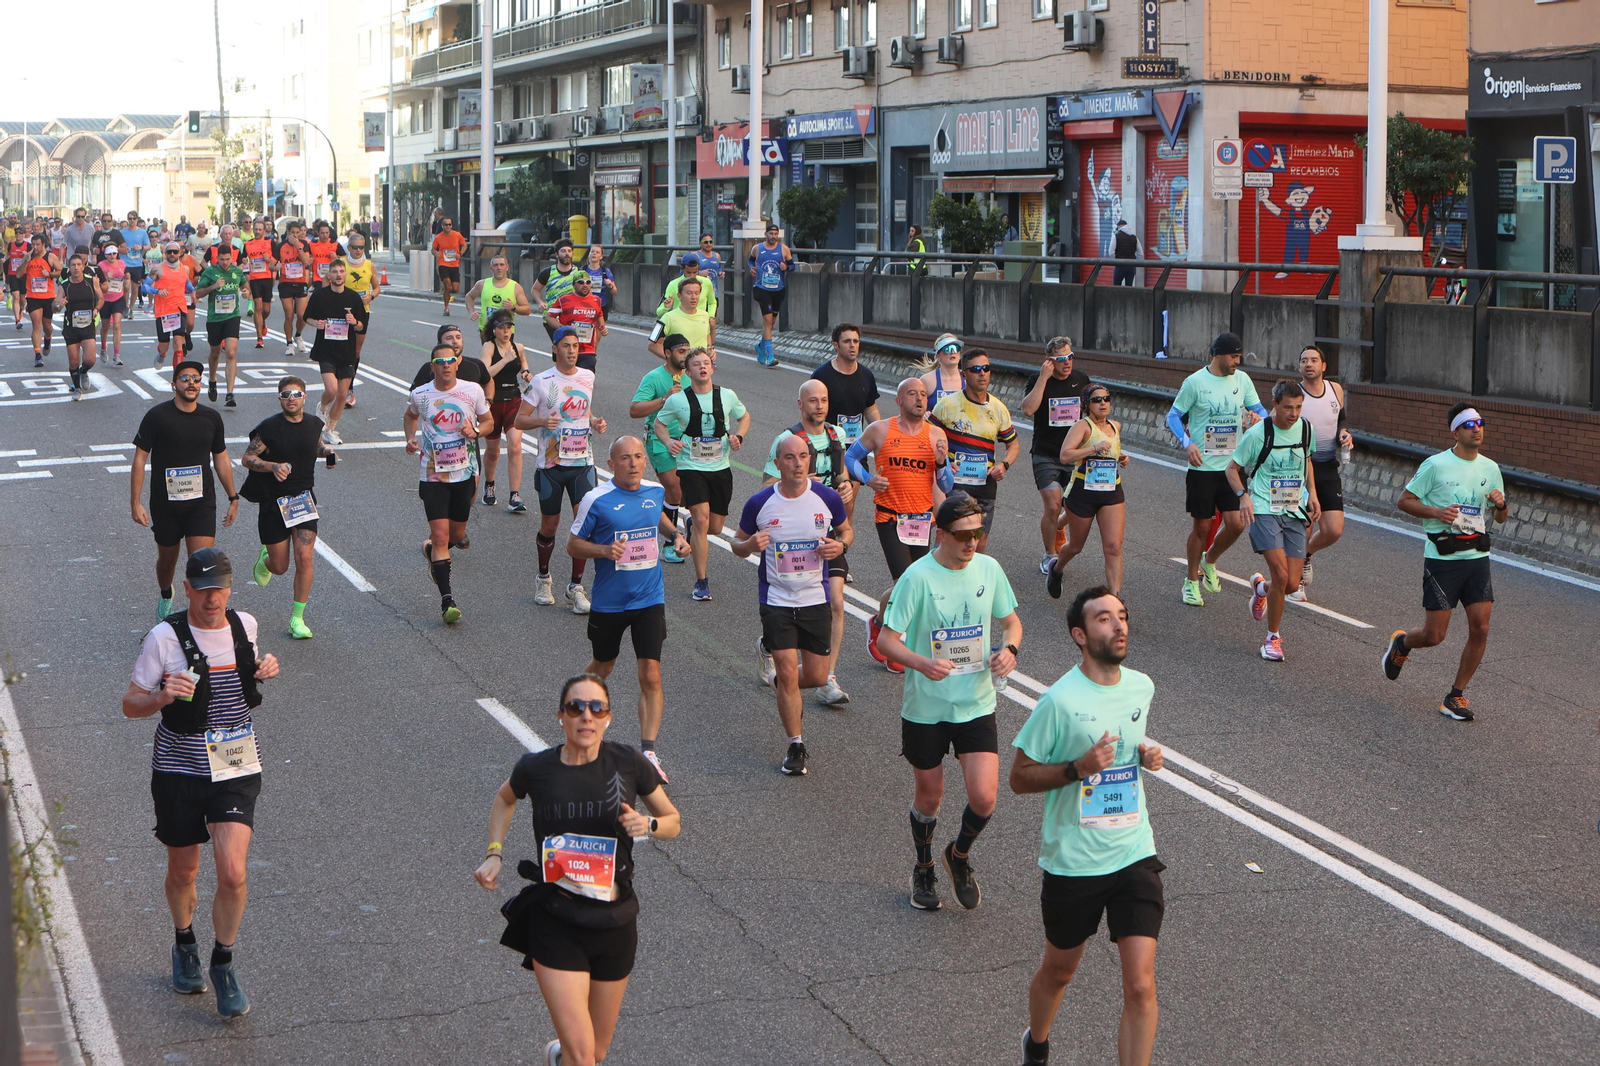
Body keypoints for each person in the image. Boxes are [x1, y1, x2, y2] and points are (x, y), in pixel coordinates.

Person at [477, 673, 681, 1066]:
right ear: (561, 717)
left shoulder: (628, 764)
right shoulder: (537, 768)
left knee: (595, 1053)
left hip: (616, 923)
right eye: (576, 707)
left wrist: (650, 825)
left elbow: (672, 819)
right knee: (584, 1056)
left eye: (596, 708)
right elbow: (504, 800)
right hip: (557, 921)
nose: (586, 716)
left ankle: (560, 1055)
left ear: (607, 717)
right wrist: (494, 852)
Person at [121, 548, 280, 1020]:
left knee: (232, 871)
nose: (213, 597)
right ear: (186, 588)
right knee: (184, 871)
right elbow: (130, 704)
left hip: (235, 765)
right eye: (203, 587)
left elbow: (246, 683)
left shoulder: (243, 626)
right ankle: (184, 942)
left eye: (221, 587)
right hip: (178, 768)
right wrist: (161, 694)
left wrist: (264, 670)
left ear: (231, 588)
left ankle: (223, 964)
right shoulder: (163, 637)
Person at [1010, 586, 1165, 1066]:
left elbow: (1127, 746)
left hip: (1133, 850)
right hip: (1074, 861)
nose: (1118, 625)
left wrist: (1145, 754)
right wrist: (1077, 768)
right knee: (1059, 971)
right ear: (1080, 634)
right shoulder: (1058, 701)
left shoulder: (1142, 686)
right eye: (1103, 619)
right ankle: (1036, 1042)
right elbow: (1018, 778)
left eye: (1122, 615)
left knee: (1140, 984)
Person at [877, 493, 1021, 912]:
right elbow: (887, 641)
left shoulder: (989, 570)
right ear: (941, 534)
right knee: (930, 795)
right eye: (962, 535)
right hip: (927, 707)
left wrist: (1010, 649)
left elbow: (1011, 622)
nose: (972, 542)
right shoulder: (917, 578)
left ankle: (958, 856)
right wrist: (921, 663)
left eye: (977, 532)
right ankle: (923, 867)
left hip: (976, 702)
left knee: (985, 797)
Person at [568, 438, 692, 783]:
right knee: (603, 666)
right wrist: (604, 550)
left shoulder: (654, 492)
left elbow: (660, 520)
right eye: (626, 458)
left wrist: (676, 537)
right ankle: (576, 707)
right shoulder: (597, 500)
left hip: (649, 599)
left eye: (638, 456)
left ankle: (648, 751)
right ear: (612, 462)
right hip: (609, 602)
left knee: (651, 674)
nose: (634, 463)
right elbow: (573, 544)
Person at [732, 433, 852, 775]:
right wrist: (751, 544)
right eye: (789, 457)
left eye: (803, 456)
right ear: (778, 462)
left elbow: (847, 531)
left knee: (814, 676)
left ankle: (776, 682)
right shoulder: (759, 503)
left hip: (815, 598)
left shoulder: (826, 498)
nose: (798, 463)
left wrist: (840, 546)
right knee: (787, 672)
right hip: (776, 599)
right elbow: (735, 544)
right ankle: (795, 745)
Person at [1381, 404, 1507, 721]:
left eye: (1480, 423)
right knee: (1435, 636)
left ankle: (1455, 696)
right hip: (1443, 559)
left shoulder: (1491, 468)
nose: (1476, 429)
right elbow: (1404, 500)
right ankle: (1403, 643)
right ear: (1455, 432)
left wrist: (1501, 505)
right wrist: (1436, 513)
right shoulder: (1435, 466)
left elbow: (1501, 518)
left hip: (1477, 556)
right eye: (1468, 425)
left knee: (1481, 627)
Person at [761, 381, 854, 707]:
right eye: (812, 401)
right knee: (794, 604)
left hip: (826, 534)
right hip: (794, 538)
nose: (819, 406)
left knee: (837, 603)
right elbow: (765, 488)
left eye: (824, 400)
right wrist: (800, 481)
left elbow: (840, 474)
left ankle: (827, 677)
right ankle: (772, 643)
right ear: (800, 403)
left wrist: (844, 487)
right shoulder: (786, 441)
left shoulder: (836, 435)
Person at [850, 378, 951, 673]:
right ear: (898, 400)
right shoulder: (880, 430)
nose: (919, 399)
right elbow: (851, 457)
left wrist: (943, 463)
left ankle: (880, 623)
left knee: (910, 584)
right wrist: (868, 480)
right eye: (912, 394)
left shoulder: (936, 435)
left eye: (923, 395)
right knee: (907, 583)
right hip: (889, 516)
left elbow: (947, 484)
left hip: (922, 520)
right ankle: (896, 646)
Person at [131, 361, 239, 620]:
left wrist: (233, 496)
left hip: (201, 503)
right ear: (174, 384)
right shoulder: (157, 417)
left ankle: (196, 618)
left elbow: (221, 458)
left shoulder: (211, 418)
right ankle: (166, 594)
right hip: (165, 504)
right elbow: (139, 459)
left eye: (196, 379)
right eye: (185, 378)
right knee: (167, 563)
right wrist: (135, 502)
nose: (192, 382)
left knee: (201, 562)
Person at [1166, 332, 1267, 607]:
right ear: (1218, 355)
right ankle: (1190, 581)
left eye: (1239, 356)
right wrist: (1187, 443)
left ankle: (1209, 560)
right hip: (1202, 468)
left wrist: (1258, 419)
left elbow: (1262, 412)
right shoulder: (1195, 382)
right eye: (1233, 356)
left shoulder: (1242, 380)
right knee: (1202, 526)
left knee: (1236, 524)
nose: (1237, 361)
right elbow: (1173, 415)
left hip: (1231, 467)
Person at [516, 327, 608, 613]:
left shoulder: (587, 377)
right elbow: (520, 420)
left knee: (584, 524)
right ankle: (544, 578)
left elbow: (585, 410)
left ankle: (576, 587)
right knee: (550, 526)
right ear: (555, 349)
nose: (571, 351)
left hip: (582, 462)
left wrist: (595, 423)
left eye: (575, 346)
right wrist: (542, 420)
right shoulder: (542, 382)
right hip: (552, 466)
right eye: (566, 346)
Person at [1227, 380, 1320, 662]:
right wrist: (1244, 496)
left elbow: (1307, 460)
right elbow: (1232, 469)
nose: (1294, 413)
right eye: (1288, 407)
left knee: (1292, 584)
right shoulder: (1258, 434)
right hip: (1264, 509)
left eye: (1299, 407)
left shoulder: (1306, 429)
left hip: (1293, 509)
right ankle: (1272, 639)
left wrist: (1313, 492)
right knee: (1281, 575)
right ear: (1275, 405)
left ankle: (1260, 588)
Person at [652, 347, 749, 601]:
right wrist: (668, 442)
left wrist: (739, 436)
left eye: (706, 363)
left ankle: (693, 527)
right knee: (703, 520)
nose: (703, 367)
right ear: (688, 371)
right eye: (696, 364)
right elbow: (659, 424)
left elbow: (744, 416)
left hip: (720, 467)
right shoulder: (678, 400)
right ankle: (701, 582)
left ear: (712, 368)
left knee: (714, 527)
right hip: (690, 467)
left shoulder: (726, 395)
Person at [240, 377, 333, 639]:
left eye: (296, 394)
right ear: (279, 399)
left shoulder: (315, 424)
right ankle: (265, 560)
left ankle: (297, 618)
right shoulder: (269, 428)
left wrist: (326, 452)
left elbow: (312, 445)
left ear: (305, 398)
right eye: (285, 394)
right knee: (280, 566)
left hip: (302, 499)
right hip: (273, 500)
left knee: (305, 558)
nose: (291, 398)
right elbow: (248, 457)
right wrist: (273, 466)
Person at [407, 343, 493, 623]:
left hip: (464, 473)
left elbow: (489, 421)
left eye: (450, 360)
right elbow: (410, 415)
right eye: (440, 361)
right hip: (432, 475)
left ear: (457, 364)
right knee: (442, 536)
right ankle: (447, 602)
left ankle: (432, 553)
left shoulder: (472, 390)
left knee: (456, 536)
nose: (446, 365)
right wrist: (410, 438)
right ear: (432, 366)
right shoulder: (420, 394)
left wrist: (477, 430)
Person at [930, 347, 1019, 554]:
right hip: (953, 483)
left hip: (984, 484)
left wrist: (1004, 465)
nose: (982, 373)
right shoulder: (947, 405)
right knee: (952, 540)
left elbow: (1013, 445)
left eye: (986, 368)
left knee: (978, 546)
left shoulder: (998, 408)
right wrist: (942, 462)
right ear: (963, 374)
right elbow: (928, 437)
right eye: (975, 369)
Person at [1046, 384, 1129, 599]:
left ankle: (1115, 599)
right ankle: (1056, 568)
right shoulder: (1082, 427)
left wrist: (1121, 458)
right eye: (1096, 400)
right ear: (1087, 405)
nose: (1103, 403)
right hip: (1083, 492)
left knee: (1113, 547)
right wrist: (1093, 448)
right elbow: (1065, 456)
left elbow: (1112, 451)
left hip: (1111, 491)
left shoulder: (1115, 426)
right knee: (1075, 546)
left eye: (1106, 398)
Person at [1021, 337, 1093, 573]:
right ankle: (1050, 555)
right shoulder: (1038, 379)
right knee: (1053, 506)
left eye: (1070, 357)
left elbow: (1091, 415)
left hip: (1074, 456)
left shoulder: (1081, 380)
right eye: (1061, 359)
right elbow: (1029, 409)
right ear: (1049, 361)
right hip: (1046, 455)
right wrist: (1043, 377)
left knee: (1074, 507)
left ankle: (1060, 526)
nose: (1067, 363)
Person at [808, 323, 881, 535]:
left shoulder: (866, 376)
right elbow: (810, 412)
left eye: (856, 341)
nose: (852, 346)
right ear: (836, 345)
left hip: (856, 450)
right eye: (847, 341)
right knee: (824, 503)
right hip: (828, 448)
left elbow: (870, 409)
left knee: (847, 503)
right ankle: (821, 537)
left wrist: (880, 437)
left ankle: (841, 545)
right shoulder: (823, 376)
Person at [1296, 344, 1353, 601]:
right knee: (1306, 524)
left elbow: (1341, 418)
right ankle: (1295, 580)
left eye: (1314, 360)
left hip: (1327, 464)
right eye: (1304, 360)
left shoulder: (1335, 389)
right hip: (1299, 467)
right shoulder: (1293, 394)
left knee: (1333, 529)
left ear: (1324, 366)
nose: (1309, 364)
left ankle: (1305, 555)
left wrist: (1344, 433)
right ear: (1299, 367)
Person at [630, 333, 692, 565]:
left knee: (690, 493)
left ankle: (681, 519)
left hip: (687, 440)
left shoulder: (691, 376)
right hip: (659, 439)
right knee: (674, 489)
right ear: (668, 353)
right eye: (681, 351)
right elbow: (634, 410)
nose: (685, 356)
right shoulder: (654, 378)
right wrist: (664, 399)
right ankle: (670, 542)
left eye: (688, 350)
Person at [303, 258, 367, 445]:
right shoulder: (320, 296)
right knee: (331, 390)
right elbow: (307, 317)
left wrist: (354, 322)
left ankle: (330, 429)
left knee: (342, 394)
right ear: (329, 275)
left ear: (345, 274)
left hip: (346, 351)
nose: (338, 275)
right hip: (326, 349)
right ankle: (322, 407)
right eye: (335, 271)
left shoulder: (353, 298)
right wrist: (317, 323)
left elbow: (362, 325)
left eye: (341, 271)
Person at [479, 310, 534, 513]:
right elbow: (484, 374)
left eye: (508, 327)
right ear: (494, 330)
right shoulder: (489, 347)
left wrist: (526, 373)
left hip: (513, 400)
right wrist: (504, 360)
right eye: (501, 328)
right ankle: (490, 484)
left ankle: (514, 495)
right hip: (493, 402)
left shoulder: (518, 347)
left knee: (515, 445)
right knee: (493, 452)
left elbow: (523, 364)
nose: (505, 331)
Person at [194, 243, 248, 407]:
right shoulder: (210, 272)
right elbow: (198, 293)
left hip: (233, 315)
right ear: (217, 259)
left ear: (232, 258)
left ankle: (230, 394)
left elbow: (244, 285)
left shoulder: (237, 271)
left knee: (231, 352)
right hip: (215, 318)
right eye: (222, 259)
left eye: (228, 259)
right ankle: (212, 379)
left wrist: (246, 292)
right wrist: (214, 286)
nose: (225, 263)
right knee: (215, 352)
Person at [338, 233, 381, 409]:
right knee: (340, 348)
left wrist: (371, 296)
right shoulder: (341, 263)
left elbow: (377, 287)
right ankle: (339, 385)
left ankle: (349, 388)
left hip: (362, 311)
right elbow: (328, 281)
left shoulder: (369, 265)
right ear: (348, 247)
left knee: (355, 351)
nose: (357, 250)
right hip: (340, 311)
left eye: (361, 247)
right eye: (354, 247)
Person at [747, 221, 793, 366]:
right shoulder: (757, 248)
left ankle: (760, 347)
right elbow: (750, 260)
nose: (773, 236)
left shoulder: (784, 249)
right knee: (767, 321)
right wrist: (752, 269)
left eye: (775, 234)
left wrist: (786, 267)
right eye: (771, 234)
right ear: (765, 234)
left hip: (778, 289)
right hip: (762, 289)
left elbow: (792, 266)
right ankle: (770, 356)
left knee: (772, 322)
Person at [58, 252, 103, 398]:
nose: (76, 268)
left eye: (79, 265)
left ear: (83, 266)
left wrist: (96, 309)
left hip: (88, 324)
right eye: (73, 265)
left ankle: (83, 371)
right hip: (71, 327)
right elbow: (55, 305)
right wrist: (59, 305)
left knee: (90, 359)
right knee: (73, 360)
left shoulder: (92, 281)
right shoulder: (65, 285)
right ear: (69, 267)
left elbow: (101, 298)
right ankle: (77, 388)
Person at [146, 243, 197, 368]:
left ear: (180, 253)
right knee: (164, 344)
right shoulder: (158, 269)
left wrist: (193, 291)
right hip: (163, 311)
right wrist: (157, 291)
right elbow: (145, 286)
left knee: (178, 341)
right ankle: (162, 354)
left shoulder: (185, 269)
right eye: (169, 252)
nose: (172, 254)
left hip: (179, 308)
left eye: (175, 252)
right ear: (165, 254)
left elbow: (186, 283)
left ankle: (178, 374)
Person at [545, 271, 608, 370]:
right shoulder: (564, 300)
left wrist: (603, 328)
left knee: (585, 381)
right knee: (567, 381)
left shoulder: (596, 300)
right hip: (567, 348)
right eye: (581, 282)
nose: (585, 285)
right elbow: (549, 317)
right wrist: (562, 328)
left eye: (588, 282)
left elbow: (599, 316)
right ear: (574, 285)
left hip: (587, 350)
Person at [646, 276, 713, 358]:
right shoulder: (667, 318)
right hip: (681, 370)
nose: (694, 297)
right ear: (679, 295)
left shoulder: (705, 315)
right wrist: (674, 361)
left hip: (700, 369)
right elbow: (652, 344)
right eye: (689, 293)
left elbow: (707, 336)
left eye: (697, 293)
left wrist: (710, 349)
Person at [467, 254, 534, 336]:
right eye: (495, 265)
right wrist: (471, 312)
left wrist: (513, 307)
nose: (499, 268)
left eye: (501, 265)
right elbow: (469, 297)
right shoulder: (482, 284)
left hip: (506, 331)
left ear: (507, 267)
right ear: (490, 268)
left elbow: (527, 310)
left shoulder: (515, 287)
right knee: (487, 349)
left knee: (504, 349)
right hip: (487, 329)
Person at [275, 220, 313, 355]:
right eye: (292, 233)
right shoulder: (280, 246)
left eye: (298, 233)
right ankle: (289, 343)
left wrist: (299, 247)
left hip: (301, 282)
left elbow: (307, 262)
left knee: (302, 315)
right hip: (285, 283)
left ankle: (298, 335)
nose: (295, 235)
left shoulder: (304, 245)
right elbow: (272, 265)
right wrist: (275, 267)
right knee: (289, 315)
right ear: (287, 232)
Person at [532, 238, 582, 337]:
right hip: (552, 318)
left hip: (573, 317)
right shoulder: (548, 272)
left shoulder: (579, 273)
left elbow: (586, 293)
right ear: (556, 254)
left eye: (569, 251)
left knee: (570, 349)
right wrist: (540, 302)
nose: (567, 254)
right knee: (561, 346)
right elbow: (535, 290)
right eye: (563, 251)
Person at [23, 235, 60, 365]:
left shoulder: (50, 257)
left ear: (43, 244)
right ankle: (38, 354)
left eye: (38, 244)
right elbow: (18, 274)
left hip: (48, 296)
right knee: (36, 324)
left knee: (47, 326)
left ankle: (48, 338)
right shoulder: (29, 257)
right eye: (33, 244)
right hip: (33, 297)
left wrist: (49, 274)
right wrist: (25, 261)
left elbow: (60, 271)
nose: (35, 247)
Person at [241, 219, 276, 350]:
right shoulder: (248, 244)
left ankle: (262, 322)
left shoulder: (270, 242)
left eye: (260, 229)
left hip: (267, 277)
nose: (257, 232)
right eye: (256, 229)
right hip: (255, 278)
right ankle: (259, 338)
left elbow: (277, 259)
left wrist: (270, 259)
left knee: (266, 310)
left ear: (264, 230)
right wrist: (244, 260)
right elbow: (243, 258)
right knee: (258, 306)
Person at [655, 252, 718, 318]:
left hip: (700, 323)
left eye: (695, 272)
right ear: (682, 268)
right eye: (688, 272)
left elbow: (712, 303)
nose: (692, 276)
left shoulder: (707, 282)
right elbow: (659, 312)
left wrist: (711, 316)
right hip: (680, 323)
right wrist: (665, 308)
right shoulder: (673, 284)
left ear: (698, 268)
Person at [96, 236, 129, 364]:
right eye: (109, 254)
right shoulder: (101, 266)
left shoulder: (122, 264)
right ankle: (103, 347)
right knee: (105, 327)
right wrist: (106, 278)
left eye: (114, 253)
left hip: (118, 298)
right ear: (105, 255)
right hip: (105, 300)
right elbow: (97, 284)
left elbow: (125, 280)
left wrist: (127, 277)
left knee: (116, 325)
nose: (112, 256)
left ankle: (117, 354)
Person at [919, 333, 964, 409]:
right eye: (947, 349)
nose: (952, 352)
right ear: (938, 356)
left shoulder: (969, 378)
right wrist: (924, 414)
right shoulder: (927, 381)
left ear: (959, 354)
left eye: (956, 348)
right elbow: (913, 409)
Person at [121, 211, 152, 310]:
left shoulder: (142, 232)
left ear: (137, 219)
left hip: (137, 263)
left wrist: (141, 247)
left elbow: (148, 246)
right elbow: (118, 246)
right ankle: (125, 306)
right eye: (130, 219)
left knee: (135, 288)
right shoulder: (122, 232)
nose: (132, 221)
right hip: (125, 262)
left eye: (134, 219)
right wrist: (123, 249)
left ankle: (130, 308)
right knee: (126, 285)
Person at [584, 244, 618, 317]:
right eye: (592, 251)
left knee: (600, 327)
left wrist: (610, 286)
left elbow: (615, 291)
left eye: (597, 252)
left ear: (601, 256)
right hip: (585, 305)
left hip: (601, 305)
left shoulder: (605, 271)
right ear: (589, 254)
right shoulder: (583, 270)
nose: (594, 253)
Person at [307, 222, 340, 292]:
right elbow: (306, 257)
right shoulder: (312, 244)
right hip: (318, 279)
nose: (325, 235)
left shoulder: (335, 244)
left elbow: (345, 258)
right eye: (322, 233)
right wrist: (309, 260)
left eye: (327, 233)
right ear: (318, 233)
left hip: (332, 278)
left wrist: (336, 257)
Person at [692, 234, 721, 299]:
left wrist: (721, 273)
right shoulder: (695, 255)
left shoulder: (717, 255)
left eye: (711, 242)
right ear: (700, 243)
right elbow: (684, 272)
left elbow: (719, 268)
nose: (709, 244)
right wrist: (699, 273)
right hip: (699, 293)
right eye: (706, 242)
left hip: (713, 293)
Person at [1112, 220, 1140, 286]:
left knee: (1116, 287)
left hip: (1119, 265)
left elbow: (1111, 252)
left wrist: (1114, 262)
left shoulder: (1116, 236)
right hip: (1131, 266)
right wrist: (1135, 262)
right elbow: (1140, 254)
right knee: (1129, 287)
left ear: (1119, 227)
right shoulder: (1134, 237)